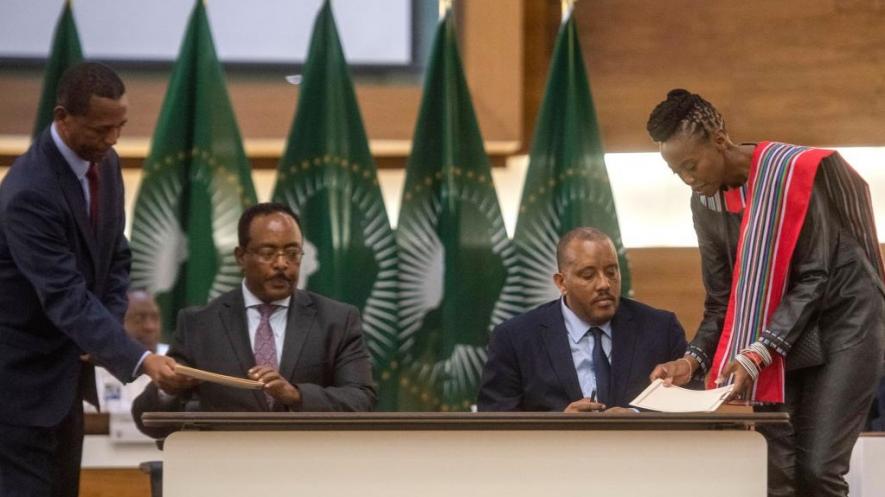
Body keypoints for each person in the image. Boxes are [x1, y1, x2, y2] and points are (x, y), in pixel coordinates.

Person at [645, 89, 885, 497]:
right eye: (677, 172)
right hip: (783, 336)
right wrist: (691, 360)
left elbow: (815, 277)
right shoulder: (706, 204)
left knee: (817, 470)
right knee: (776, 471)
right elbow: (721, 300)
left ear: (719, 140)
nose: (688, 179)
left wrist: (757, 353)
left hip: (845, 321)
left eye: (691, 165)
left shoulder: (792, 173)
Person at [0, 62, 178, 497]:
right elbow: (64, 295)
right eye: (101, 129)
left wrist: (105, 327)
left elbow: (116, 256)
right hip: (17, 393)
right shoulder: (29, 191)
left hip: (64, 388)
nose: (113, 139)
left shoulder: (107, 164)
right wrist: (139, 358)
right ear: (63, 118)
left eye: (120, 127)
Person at [133, 202, 377, 438]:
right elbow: (149, 422)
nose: (281, 264)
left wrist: (296, 395)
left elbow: (361, 401)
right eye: (268, 253)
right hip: (228, 462)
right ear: (241, 256)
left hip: (308, 461)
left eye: (292, 253)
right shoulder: (200, 325)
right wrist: (167, 390)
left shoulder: (337, 321)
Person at [477, 227, 689, 413]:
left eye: (611, 272)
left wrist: (635, 418)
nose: (604, 284)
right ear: (561, 282)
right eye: (588, 275)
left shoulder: (661, 330)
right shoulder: (514, 338)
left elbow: (691, 408)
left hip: (641, 446)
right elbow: (496, 420)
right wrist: (560, 426)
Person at [86, 291, 168, 441]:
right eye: (139, 319)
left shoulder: (173, 360)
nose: (150, 327)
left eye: (155, 318)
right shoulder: (94, 363)